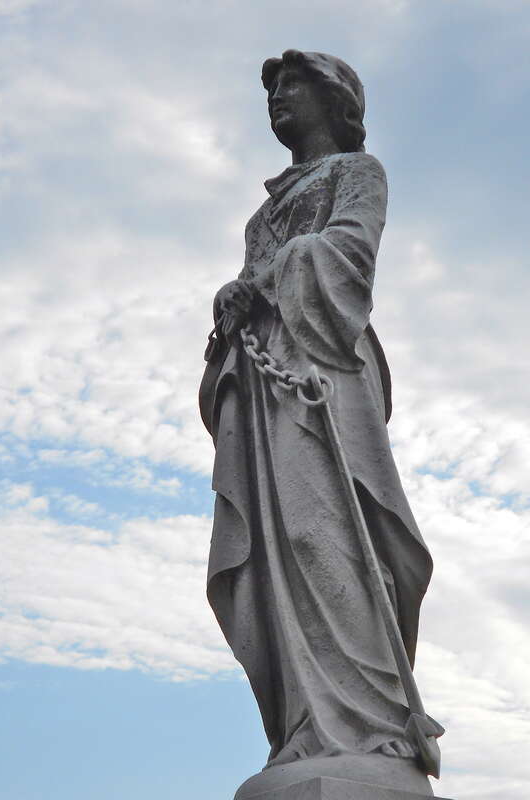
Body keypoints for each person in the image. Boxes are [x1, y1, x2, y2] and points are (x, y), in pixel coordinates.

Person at [200, 50, 434, 785]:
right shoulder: (259, 213)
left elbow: (349, 255)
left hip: (325, 361)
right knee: (277, 550)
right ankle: (305, 725)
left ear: (335, 99)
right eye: (271, 87)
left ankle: (370, 724)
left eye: (292, 83)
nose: (278, 97)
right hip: (266, 374)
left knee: (323, 527)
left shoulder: (357, 175)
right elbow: (252, 283)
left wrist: (267, 278)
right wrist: (232, 301)